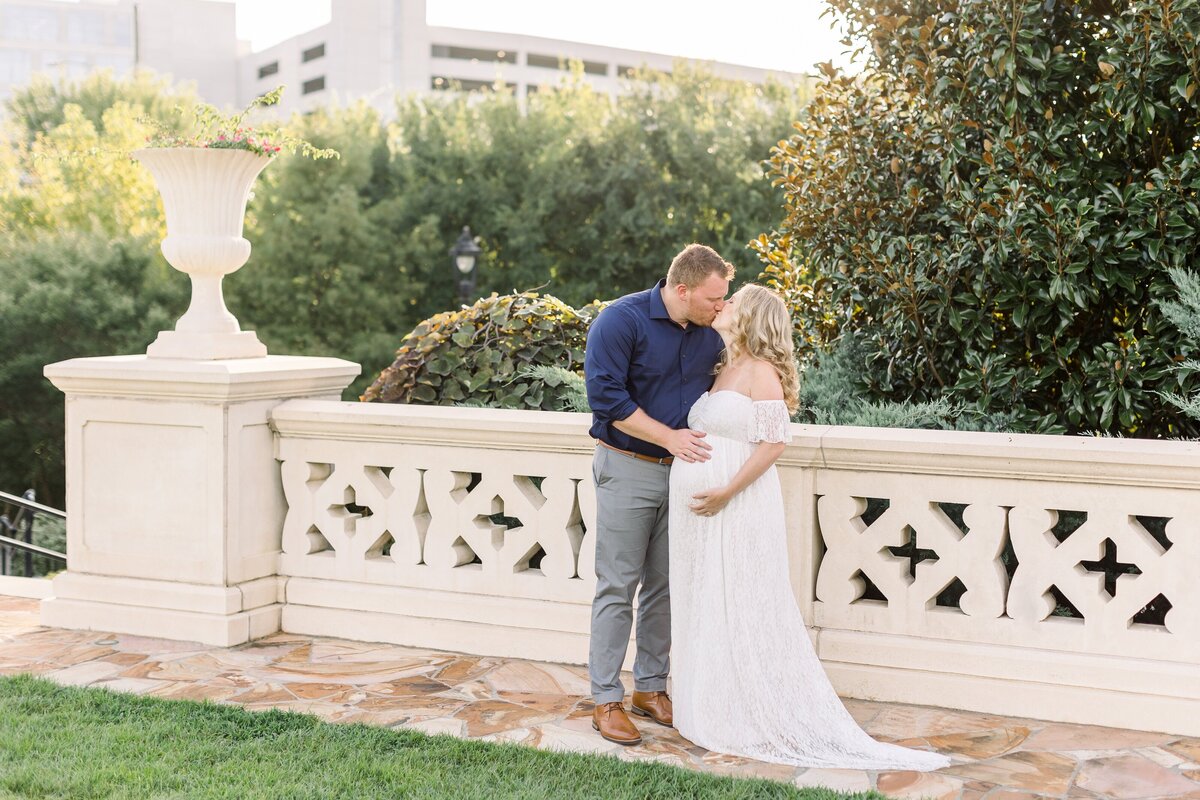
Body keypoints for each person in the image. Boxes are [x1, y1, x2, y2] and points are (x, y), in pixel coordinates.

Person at [668, 283, 950, 770]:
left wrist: (726, 491)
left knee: (742, 599)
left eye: (732, 302)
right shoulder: (723, 367)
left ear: (750, 317)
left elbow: (774, 444)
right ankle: (710, 701)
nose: (723, 305)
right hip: (703, 516)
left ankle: (750, 709)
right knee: (708, 598)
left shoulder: (761, 373)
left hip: (738, 506)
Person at [583, 243, 733, 746]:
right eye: (715, 298)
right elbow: (606, 399)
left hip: (686, 476)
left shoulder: (713, 332)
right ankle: (606, 697)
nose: (721, 306)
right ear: (682, 289)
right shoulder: (619, 321)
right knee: (617, 585)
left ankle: (650, 689)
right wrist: (668, 437)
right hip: (628, 467)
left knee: (666, 587)